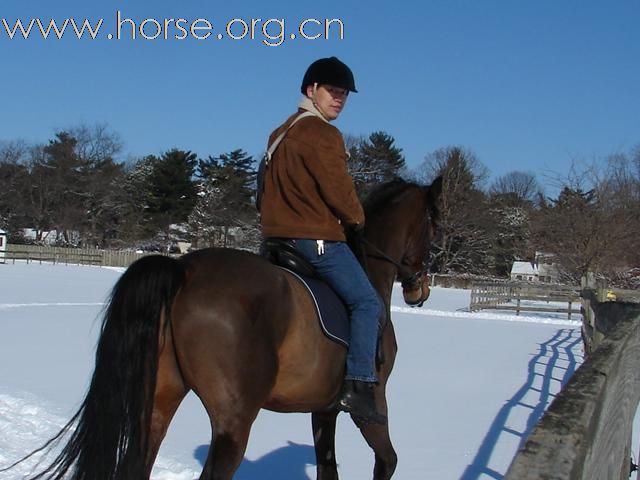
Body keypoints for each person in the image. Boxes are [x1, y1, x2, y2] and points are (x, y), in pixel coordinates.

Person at [259, 56, 386, 424]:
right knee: (366, 303)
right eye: (332, 91)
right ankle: (359, 386)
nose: (339, 99)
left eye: (344, 94)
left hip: (275, 242)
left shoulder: (279, 133)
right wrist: (358, 219)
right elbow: (340, 193)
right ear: (310, 90)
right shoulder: (323, 134)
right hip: (316, 242)